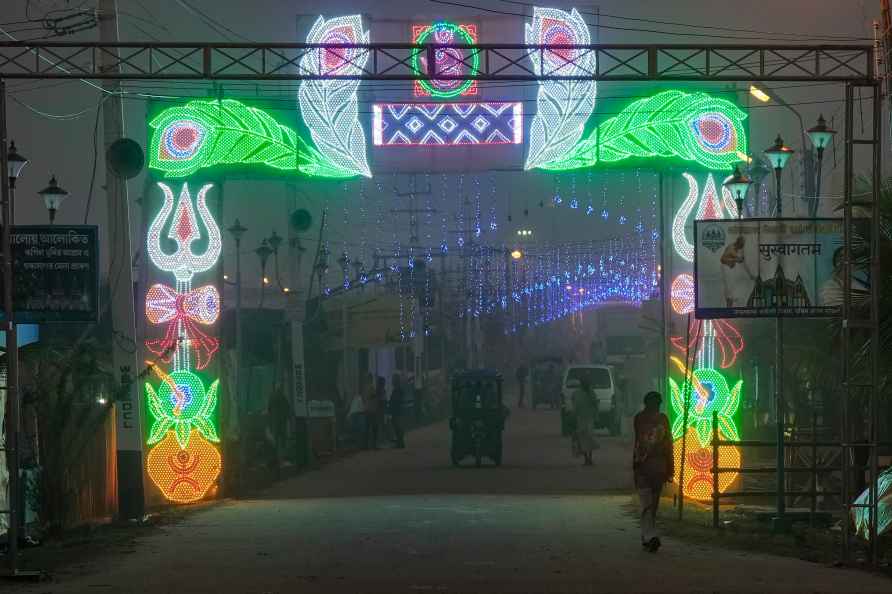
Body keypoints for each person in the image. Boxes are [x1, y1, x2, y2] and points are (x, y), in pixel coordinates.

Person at [633, 391, 674, 553]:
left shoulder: (641, 418)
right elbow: (667, 444)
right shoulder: (658, 419)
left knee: (649, 504)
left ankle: (647, 535)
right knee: (650, 503)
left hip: (648, 466)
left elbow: (640, 443)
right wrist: (670, 467)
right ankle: (650, 536)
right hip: (653, 466)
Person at [572, 377, 598, 465]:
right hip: (581, 419)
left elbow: (595, 404)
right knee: (583, 440)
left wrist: (596, 416)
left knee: (589, 439)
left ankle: (589, 458)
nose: (586, 385)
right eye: (584, 383)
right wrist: (574, 417)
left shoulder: (591, 393)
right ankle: (586, 458)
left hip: (589, 419)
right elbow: (575, 406)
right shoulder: (577, 393)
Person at [361, 373, 379, 449]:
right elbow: (374, 396)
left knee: (367, 428)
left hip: (367, 409)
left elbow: (364, 398)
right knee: (374, 427)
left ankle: (366, 445)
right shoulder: (371, 387)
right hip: (372, 410)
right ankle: (373, 444)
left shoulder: (364, 387)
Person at [389, 373, 406, 449]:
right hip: (397, 411)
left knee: (398, 427)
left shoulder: (397, 390)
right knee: (397, 426)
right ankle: (400, 442)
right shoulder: (398, 389)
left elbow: (396, 401)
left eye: (393, 380)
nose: (392, 381)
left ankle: (400, 443)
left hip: (397, 411)